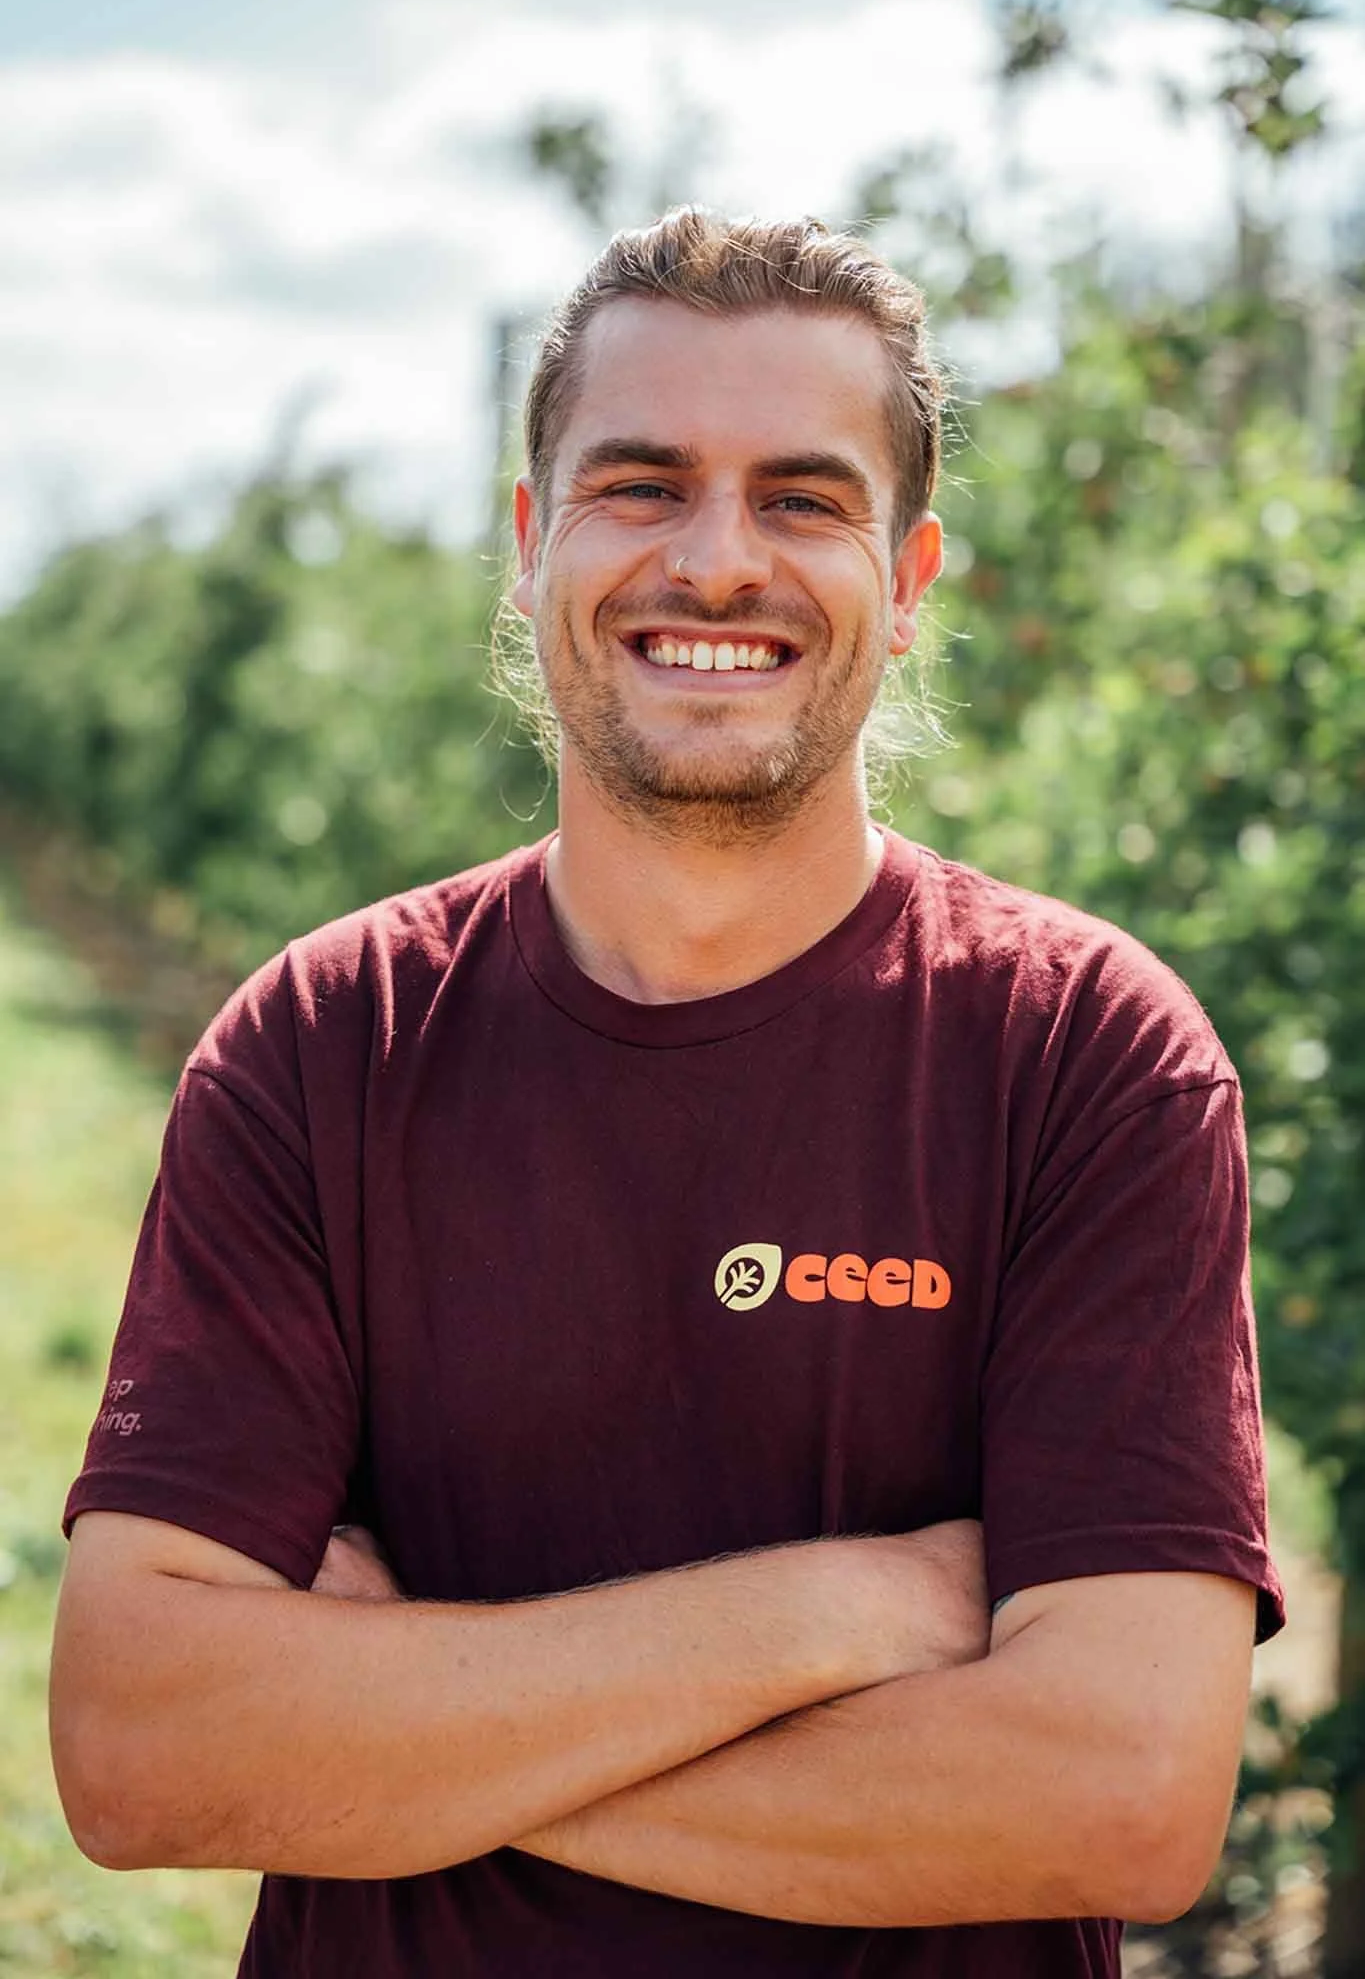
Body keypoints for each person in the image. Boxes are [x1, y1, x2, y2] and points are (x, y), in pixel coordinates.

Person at [52, 207, 1284, 1979]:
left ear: (913, 575)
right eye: (641, 484)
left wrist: (396, 1737)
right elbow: (145, 1753)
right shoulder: (324, 1041)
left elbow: (1121, 1797)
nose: (718, 562)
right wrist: (850, 1606)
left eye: (802, 497)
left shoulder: (1087, 1055)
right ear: (534, 542)